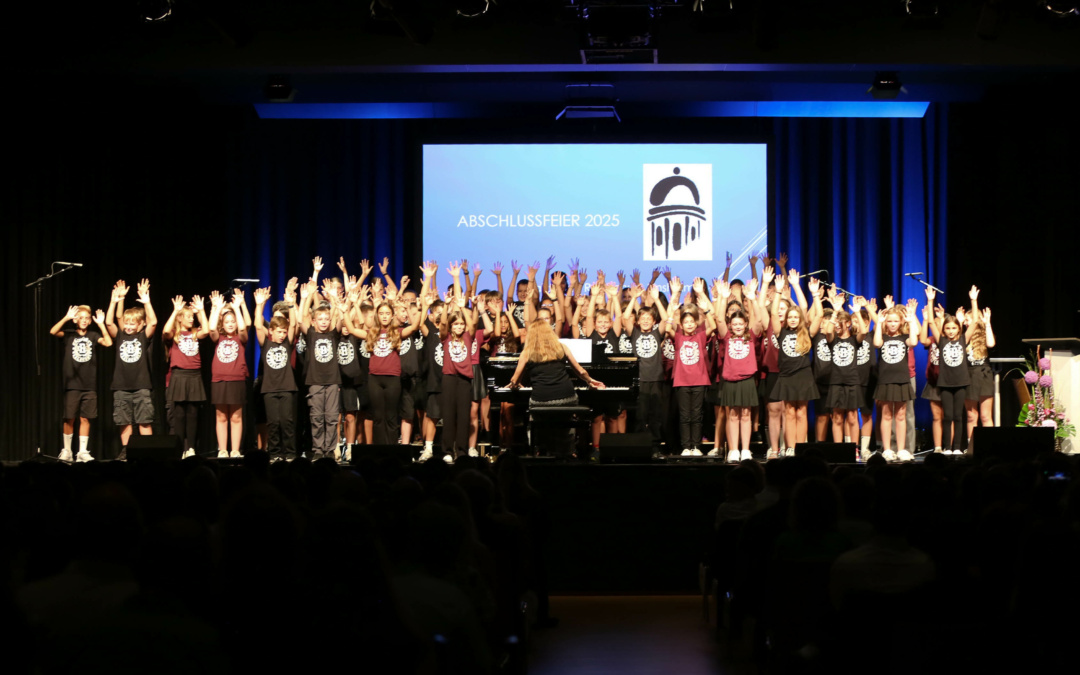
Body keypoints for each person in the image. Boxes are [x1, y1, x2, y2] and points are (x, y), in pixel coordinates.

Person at [506, 319, 605, 458]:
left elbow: (515, 379)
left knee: (536, 417)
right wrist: (590, 380)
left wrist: (513, 384)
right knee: (567, 419)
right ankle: (567, 450)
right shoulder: (561, 347)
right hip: (566, 398)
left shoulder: (527, 352)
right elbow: (581, 371)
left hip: (541, 400)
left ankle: (540, 448)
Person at [768, 270, 822, 458]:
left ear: (800, 319)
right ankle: (790, 448)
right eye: (789, 317)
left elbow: (819, 315)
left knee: (802, 413)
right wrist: (778, 292)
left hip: (803, 376)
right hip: (787, 377)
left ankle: (800, 447)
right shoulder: (780, 332)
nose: (792, 319)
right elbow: (773, 313)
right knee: (789, 412)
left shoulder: (806, 332)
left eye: (795, 317)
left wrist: (815, 295)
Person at [50, 304, 112, 462]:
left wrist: (101, 324)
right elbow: (53, 331)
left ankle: (82, 452)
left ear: (90, 321)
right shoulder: (69, 335)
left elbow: (108, 342)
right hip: (72, 385)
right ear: (75, 320)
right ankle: (67, 451)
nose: (84, 320)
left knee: (85, 418)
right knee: (69, 418)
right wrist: (66, 317)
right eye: (81, 318)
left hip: (89, 385)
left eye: (87, 318)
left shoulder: (93, 335)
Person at [105, 279, 158, 456]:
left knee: (144, 420)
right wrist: (114, 301)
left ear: (140, 324)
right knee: (124, 421)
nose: (127, 326)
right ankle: (127, 451)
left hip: (142, 386)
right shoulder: (120, 336)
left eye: (132, 323)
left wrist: (146, 301)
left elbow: (153, 322)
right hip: (121, 386)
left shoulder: (143, 337)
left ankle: (148, 451)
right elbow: (109, 322)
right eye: (126, 323)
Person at [668, 276, 718, 458]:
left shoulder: (701, 336)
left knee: (697, 414)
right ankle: (686, 446)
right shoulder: (678, 337)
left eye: (692, 322)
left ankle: (696, 446)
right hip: (682, 381)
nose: (689, 324)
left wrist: (706, 308)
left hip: (699, 380)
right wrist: (674, 301)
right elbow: (667, 328)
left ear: (696, 323)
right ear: (681, 325)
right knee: (684, 416)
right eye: (686, 322)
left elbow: (713, 326)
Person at [299, 263, 343, 459]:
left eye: (326, 319)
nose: (324, 321)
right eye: (320, 319)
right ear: (314, 321)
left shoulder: (333, 334)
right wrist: (307, 294)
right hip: (315, 381)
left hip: (332, 381)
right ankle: (318, 450)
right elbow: (301, 318)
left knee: (332, 418)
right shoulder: (311, 334)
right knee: (317, 418)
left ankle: (330, 451)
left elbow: (338, 317)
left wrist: (334, 299)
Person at [622, 284, 669, 456]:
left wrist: (656, 299)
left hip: (656, 378)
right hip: (640, 379)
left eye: (649, 318)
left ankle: (655, 445)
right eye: (643, 318)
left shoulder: (656, 333)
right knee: (640, 415)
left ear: (654, 321)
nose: (646, 320)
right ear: (638, 320)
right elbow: (625, 318)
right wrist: (634, 298)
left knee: (655, 415)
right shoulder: (634, 334)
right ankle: (639, 445)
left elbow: (666, 319)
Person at [162, 292, 209, 458]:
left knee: (193, 413)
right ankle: (180, 448)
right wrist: (176, 311)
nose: (191, 319)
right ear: (180, 319)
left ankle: (191, 448)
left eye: (192, 317)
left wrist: (201, 310)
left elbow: (207, 330)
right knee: (179, 413)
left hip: (194, 376)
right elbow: (165, 330)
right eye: (188, 316)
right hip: (179, 375)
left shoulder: (195, 333)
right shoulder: (175, 334)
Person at [254, 286, 298, 460]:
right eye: (279, 332)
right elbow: (258, 325)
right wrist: (260, 304)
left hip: (287, 388)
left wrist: (291, 305)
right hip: (269, 389)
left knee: (287, 422)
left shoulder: (287, 343)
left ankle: (290, 453)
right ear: (271, 331)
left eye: (284, 332)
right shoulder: (266, 343)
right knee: (273, 423)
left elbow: (293, 324)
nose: (282, 335)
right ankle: (274, 454)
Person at [873, 300, 920, 462]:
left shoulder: (905, 337)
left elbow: (914, 342)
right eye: (889, 321)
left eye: (895, 321)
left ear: (900, 322)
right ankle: (887, 449)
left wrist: (911, 320)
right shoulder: (883, 337)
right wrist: (879, 323)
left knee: (901, 415)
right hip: (886, 380)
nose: (892, 324)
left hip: (902, 380)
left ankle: (901, 449)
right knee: (886, 415)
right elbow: (876, 343)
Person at [822, 292, 869, 445]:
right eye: (835, 322)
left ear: (848, 324)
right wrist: (835, 311)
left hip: (852, 382)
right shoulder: (832, 339)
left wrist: (857, 312)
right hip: (836, 382)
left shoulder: (854, 340)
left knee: (853, 417)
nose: (836, 324)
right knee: (837, 417)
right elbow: (828, 331)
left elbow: (864, 331)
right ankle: (838, 450)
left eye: (839, 322)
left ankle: (854, 449)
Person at [208, 289, 250, 458]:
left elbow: (243, 327)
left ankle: (235, 450)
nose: (231, 324)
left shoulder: (241, 338)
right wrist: (217, 308)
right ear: (222, 324)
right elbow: (211, 328)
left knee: (236, 417)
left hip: (237, 379)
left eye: (233, 321)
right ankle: (223, 449)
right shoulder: (218, 338)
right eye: (227, 322)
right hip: (219, 380)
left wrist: (237, 307)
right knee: (221, 416)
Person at [438, 294, 479, 459]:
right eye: (456, 324)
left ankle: (461, 451)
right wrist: (446, 306)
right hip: (449, 378)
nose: (459, 327)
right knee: (448, 415)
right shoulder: (446, 337)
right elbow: (442, 325)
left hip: (464, 380)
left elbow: (473, 325)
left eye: (461, 324)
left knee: (463, 417)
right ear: (451, 326)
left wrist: (463, 308)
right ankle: (448, 451)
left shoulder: (468, 337)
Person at [929, 306, 973, 455]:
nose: (951, 331)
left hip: (961, 383)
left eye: (954, 328)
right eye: (947, 328)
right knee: (947, 416)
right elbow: (931, 322)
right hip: (945, 383)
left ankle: (957, 448)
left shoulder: (963, 339)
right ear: (944, 329)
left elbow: (974, 323)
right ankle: (947, 447)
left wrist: (974, 301)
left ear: (959, 329)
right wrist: (930, 301)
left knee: (958, 416)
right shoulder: (941, 341)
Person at [964, 287, 996, 443]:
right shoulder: (963, 337)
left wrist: (987, 323)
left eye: (967, 320)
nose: (965, 322)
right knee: (971, 416)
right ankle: (971, 446)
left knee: (985, 415)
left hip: (984, 375)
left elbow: (991, 344)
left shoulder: (983, 336)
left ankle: (989, 445)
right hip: (968, 376)